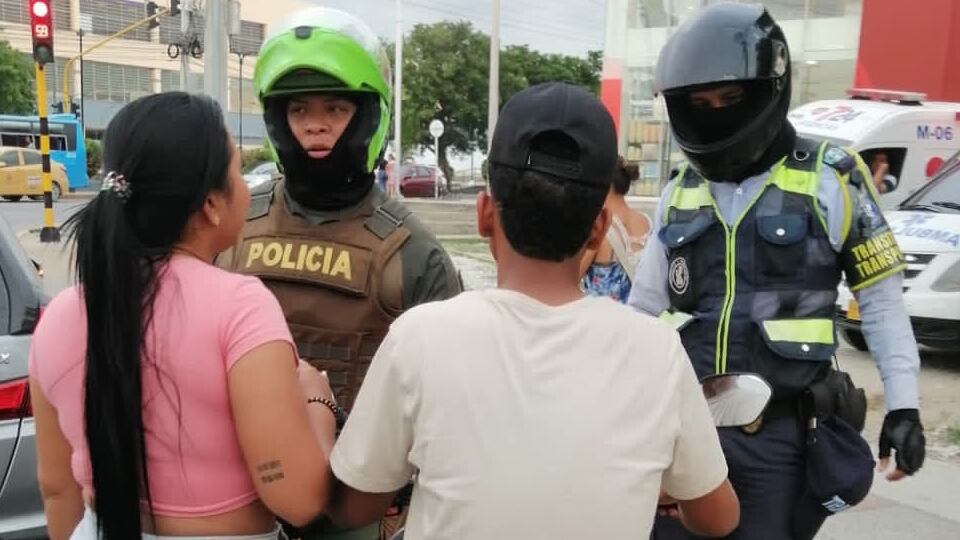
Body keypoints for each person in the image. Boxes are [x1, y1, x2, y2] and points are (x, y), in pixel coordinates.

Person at [323, 82, 740, 540]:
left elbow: (354, 505)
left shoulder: (420, 337)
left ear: (484, 214)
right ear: (599, 228)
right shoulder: (657, 351)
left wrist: (316, 405)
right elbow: (719, 518)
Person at [628, 4, 925, 539]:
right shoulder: (679, 191)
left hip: (779, 441)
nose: (716, 114)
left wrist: (904, 408)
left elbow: (880, 303)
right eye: (700, 104)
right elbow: (643, 311)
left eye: (730, 99)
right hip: (683, 432)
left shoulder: (833, 179)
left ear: (769, 89)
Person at [28, 93, 338, 539]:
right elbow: (300, 499)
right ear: (211, 204)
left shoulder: (61, 314)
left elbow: (57, 490)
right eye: (237, 172)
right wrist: (317, 401)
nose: (245, 186)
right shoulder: (241, 307)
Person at [217, 7, 462, 539]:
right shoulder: (231, 230)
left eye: (335, 107)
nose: (316, 124)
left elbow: (450, 407)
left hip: (355, 510)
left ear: (368, 114)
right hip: (238, 506)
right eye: (298, 109)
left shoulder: (412, 252)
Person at [580, 155, 651, 302]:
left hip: (603, 315)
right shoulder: (646, 222)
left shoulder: (600, 226)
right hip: (640, 314)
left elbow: (571, 276)